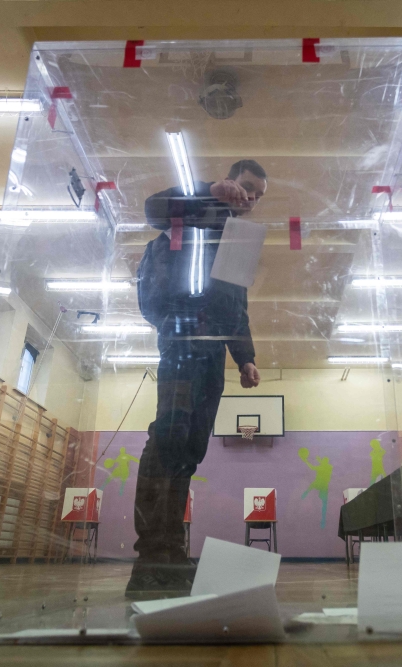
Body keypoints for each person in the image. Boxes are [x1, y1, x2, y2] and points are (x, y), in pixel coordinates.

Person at [126, 160, 267, 598]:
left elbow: (235, 303)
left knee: (191, 449)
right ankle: (150, 555)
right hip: (181, 338)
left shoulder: (241, 238)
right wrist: (209, 190)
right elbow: (152, 208)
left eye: (258, 195)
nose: (250, 199)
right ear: (230, 181)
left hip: (213, 354)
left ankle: (171, 551)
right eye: (245, 188)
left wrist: (245, 357)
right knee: (169, 436)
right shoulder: (197, 204)